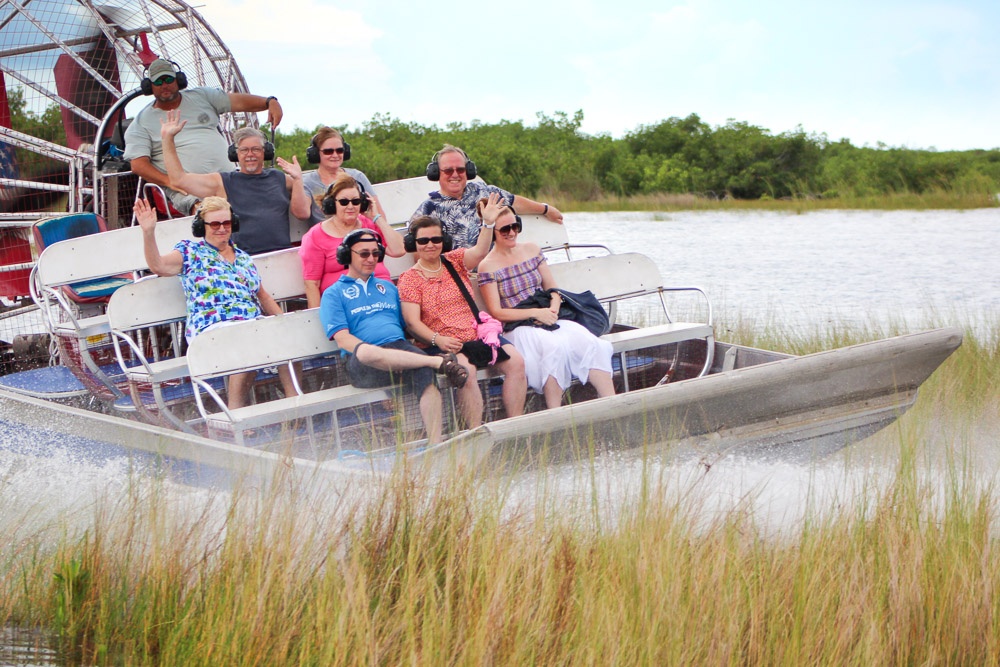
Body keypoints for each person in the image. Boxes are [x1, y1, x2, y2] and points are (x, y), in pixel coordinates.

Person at [134, 195, 297, 410]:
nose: (222, 228)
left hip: (249, 326)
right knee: (247, 341)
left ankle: (295, 403)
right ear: (202, 227)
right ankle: (236, 413)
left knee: (289, 338)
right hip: (210, 332)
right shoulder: (190, 252)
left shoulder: (243, 258)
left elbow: (263, 296)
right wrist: (148, 233)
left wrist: (284, 323)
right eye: (215, 224)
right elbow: (159, 266)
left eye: (226, 223)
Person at [320, 230, 470, 445]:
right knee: (369, 351)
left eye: (375, 253)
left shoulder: (389, 288)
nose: (371, 259)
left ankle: (436, 444)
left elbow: (409, 325)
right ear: (347, 255)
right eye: (363, 254)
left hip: (401, 352)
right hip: (363, 360)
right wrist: (385, 355)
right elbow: (343, 340)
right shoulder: (333, 293)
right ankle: (437, 362)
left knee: (424, 371)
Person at [398, 200, 528, 427]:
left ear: (444, 241)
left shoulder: (454, 260)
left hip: (476, 334)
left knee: (516, 362)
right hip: (441, 341)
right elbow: (412, 322)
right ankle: (476, 433)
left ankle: (515, 426)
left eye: (436, 239)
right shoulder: (409, 278)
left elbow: (479, 252)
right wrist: (438, 339)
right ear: (413, 243)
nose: (431, 244)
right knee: (465, 372)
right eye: (423, 240)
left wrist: (488, 224)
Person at [477, 202, 615, 409]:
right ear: (494, 232)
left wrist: (554, 307)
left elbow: (552, 288)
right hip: (518, 324)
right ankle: (555, 410)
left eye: (516, 226)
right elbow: (496, 312)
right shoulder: (488, 265)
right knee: (552, 346)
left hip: (547, 314)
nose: (512, 232)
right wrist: (535, 313)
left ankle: (612, 402)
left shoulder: (531, 249)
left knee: (587, 341)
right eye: (505, 229)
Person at [123, 58, 284, 215]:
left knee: (271, 201)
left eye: (169, 79)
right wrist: (169, 181)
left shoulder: (202, 96)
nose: (164, 85)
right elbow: (138, 164)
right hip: (188, 189)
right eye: (158, 82)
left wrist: (269, 102)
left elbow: (238, 102)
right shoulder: (140, 123)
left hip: (228, 179)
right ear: (149, 86)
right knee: (207, 213)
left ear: (178, 80)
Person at [159, 109, 311, 255]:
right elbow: (178, 179)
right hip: (242, 260)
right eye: (244, 150)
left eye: (256, 149)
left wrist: (298, 179)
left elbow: (303, 212)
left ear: (265, 152)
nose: (250, 154)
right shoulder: (223, 182)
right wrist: (167, 139)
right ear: (235, 153)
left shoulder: (280, 178)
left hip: (281, 254)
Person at [410, 144, 565, 249]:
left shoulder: (483, 191)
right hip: (461, 276)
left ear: (468, 171)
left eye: (460, 169)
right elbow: (419, 252)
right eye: (448, 171)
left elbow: (514, 202)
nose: (455, 175)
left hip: (498, 266)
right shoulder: (428, 209)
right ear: (436, 173)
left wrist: (545, 209)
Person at [299, 173, 404, 308]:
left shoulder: (369, 225)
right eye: (344, 202)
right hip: (346, 303)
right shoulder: (315, 236)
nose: (351, 206)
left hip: (382, 296)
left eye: (356, 201)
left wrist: (376, 217)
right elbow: (312, 284)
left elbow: (399, 250)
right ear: (331, 204)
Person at [301, 127, 384, 226]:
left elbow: (380, 216)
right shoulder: (307, 181)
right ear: (315, 154)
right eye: (328, 151)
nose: (335, 155)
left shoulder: (358, 176)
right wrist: (296, 179)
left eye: (339, 150)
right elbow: (302, 213)